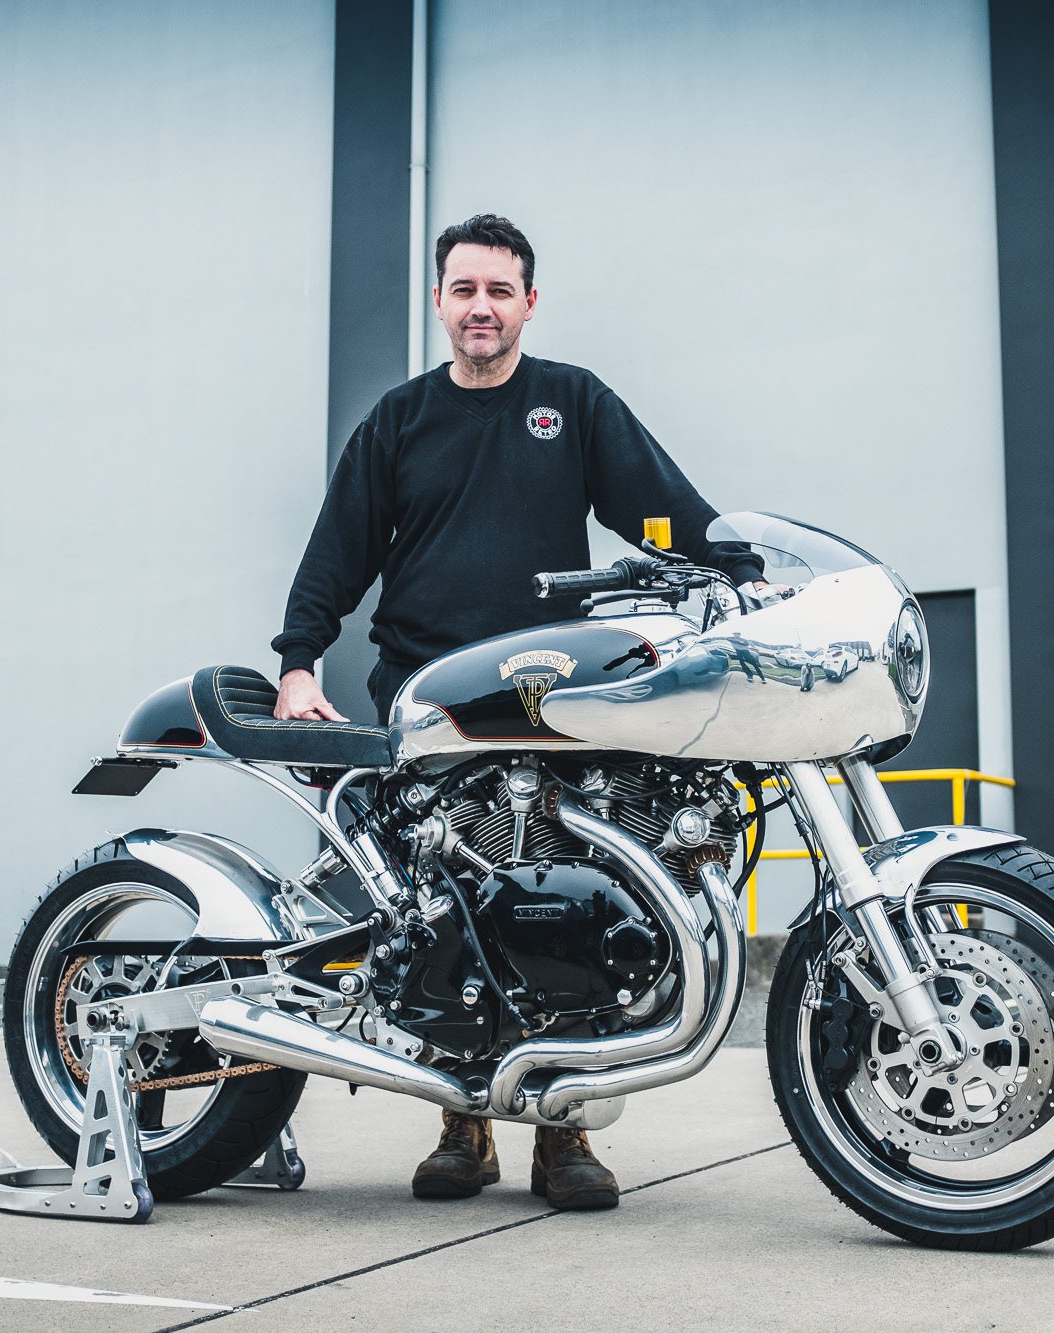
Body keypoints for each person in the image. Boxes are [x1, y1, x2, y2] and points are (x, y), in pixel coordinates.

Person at [270, 214, 746, 1211]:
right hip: (429, 696)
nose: (479, 307)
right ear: (439, 302)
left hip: (551, 698)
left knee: (561, 912)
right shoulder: (399, 421)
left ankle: (564, 1137)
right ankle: (463, 1126)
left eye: (498, 290)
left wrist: (736, 570)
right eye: (462, 289)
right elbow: (337, 551)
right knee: (448, 916)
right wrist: (298, 661)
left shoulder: (571, 404)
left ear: (529, 302)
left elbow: (659, 508)